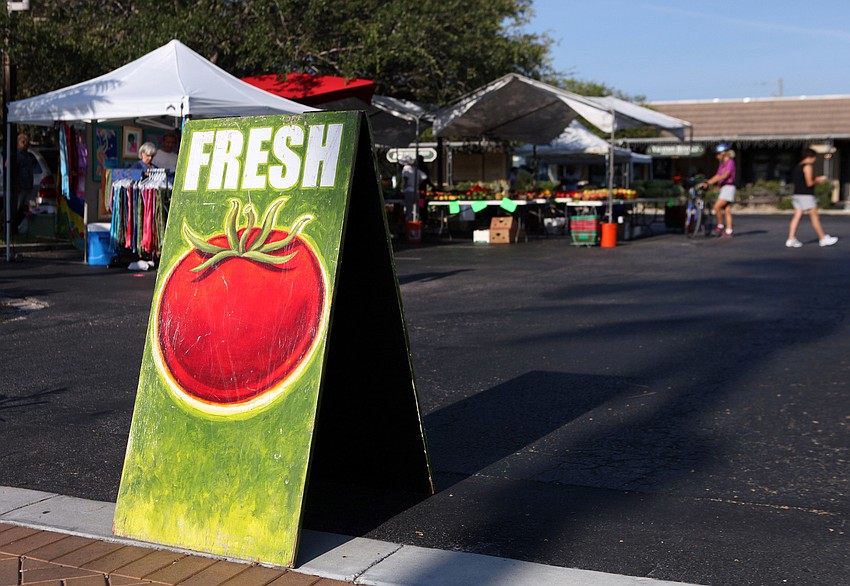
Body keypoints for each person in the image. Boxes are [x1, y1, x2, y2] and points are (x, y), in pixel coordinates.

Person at [786, 147, 838, 248]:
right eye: (814, 157)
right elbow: (809, 183)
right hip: (806, 195)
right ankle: (822, 238)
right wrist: (818, 180)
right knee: (814, 217)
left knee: (797, 216)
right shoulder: (808, 166)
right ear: (810, 157)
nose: (815, 160)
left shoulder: (798, 166)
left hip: (797, 194)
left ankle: (791, 238)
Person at [700, 144, 736, 238]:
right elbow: (718, 175)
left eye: (718, 154)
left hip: (729, 187)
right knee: (727, 210)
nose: (717, 156)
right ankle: (729, 231)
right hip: (724, 187)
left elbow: (725, 175)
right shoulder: (722, 164)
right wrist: (708, 182)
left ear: (723, 153)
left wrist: (712, 182)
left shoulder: (730, 162)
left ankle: (720, 226)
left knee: (716, 207)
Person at [13, 133, 38, 233]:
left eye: (26, 142)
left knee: (26, 207)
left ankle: (22, 227)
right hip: (20, 186)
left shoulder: (27, 155)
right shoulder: (16, 155)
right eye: (23, 142)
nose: (26, 144)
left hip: (27, 185)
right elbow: (15, 170)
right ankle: (11, 226)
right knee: (16, 207)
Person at [402, 155, 431, 221]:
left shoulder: (406, 169)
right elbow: (425, 177)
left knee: (410, 208)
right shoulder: (418, 169)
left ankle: (410, 223)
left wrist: (404, 187)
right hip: (418, 192)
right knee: (418, 207)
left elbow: (406, 179)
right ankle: (419, 221)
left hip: (409, 191)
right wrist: (418, 183)